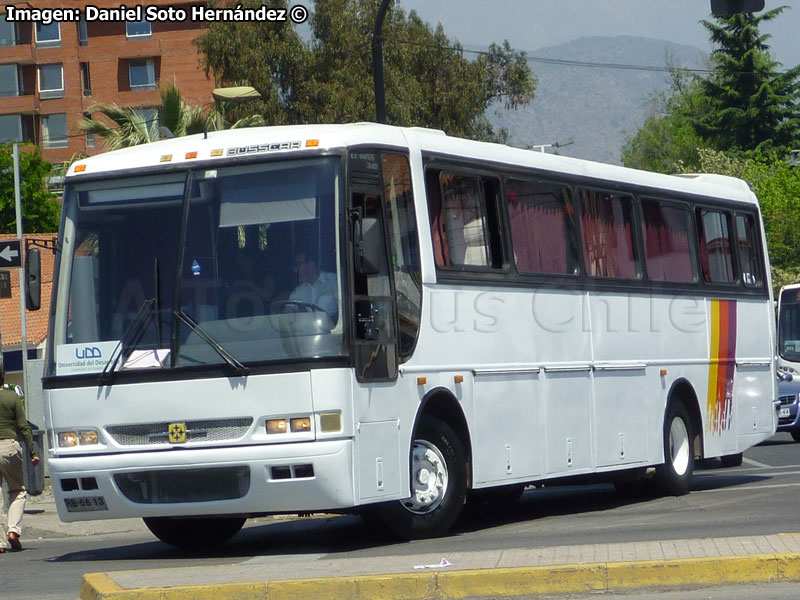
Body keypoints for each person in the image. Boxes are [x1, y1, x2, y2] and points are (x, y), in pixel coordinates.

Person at [0, 365, 39, 552]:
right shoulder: (12, 397)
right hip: (8, 447)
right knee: (17, 490)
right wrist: (33, 451)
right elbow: (23, 426)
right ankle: (13, 531)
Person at [288, 252, 339, 322]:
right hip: (306, 331)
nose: (294, 269)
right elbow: (287, 313)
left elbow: (345, 309)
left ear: (311, 264)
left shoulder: (333, 280)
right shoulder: (298, 291)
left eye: (298, 264)